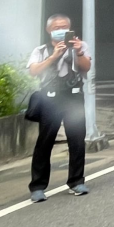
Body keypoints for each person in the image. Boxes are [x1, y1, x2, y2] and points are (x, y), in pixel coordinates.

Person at [26, 14, 92, 202]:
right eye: (56, 27)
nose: (61, 30)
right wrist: (54, 56)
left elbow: (86, 67)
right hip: (50, 98)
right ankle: (37, 187)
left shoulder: (80, 46)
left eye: (64, 27)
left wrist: (78, 52)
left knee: (77, 139)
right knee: (45, 141)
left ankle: (76, 182)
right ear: (49, 30)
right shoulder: (40, 50)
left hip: (73, 97)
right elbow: (33, 71)